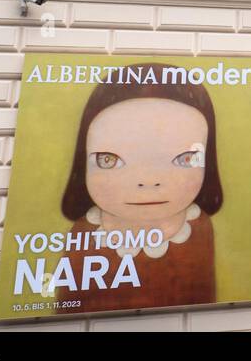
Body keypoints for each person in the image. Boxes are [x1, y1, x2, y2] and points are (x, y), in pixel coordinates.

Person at [57, 62, 221, 314]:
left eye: (185, 158)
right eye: (109, 159)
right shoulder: (84, 235)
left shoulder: (197, 228)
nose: (148, 180)